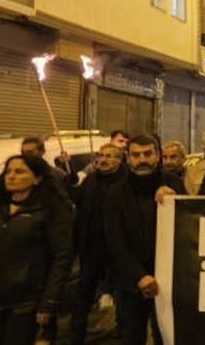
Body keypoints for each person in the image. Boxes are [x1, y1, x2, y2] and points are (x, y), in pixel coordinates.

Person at [105, 135, 185, 345]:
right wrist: (139, 275)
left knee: (167, 338)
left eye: (148, 154)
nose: (142, 159)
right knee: (132, 338)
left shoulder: (175, 185)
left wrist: (176, 200)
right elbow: (115, 240)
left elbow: (187, 229)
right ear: (127, 158)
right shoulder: (116, 192)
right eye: (136, 155)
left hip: (168, 282)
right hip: (131, 283)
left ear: (157, 156)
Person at [0, 155, 74, 345]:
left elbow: (62, 257)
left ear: (37, 179)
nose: (11, 176)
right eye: (8, 171)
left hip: (27, 301)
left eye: (20, 171)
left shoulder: (51, 210)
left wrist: (49, 302)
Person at [68, 144, 126, 345]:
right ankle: (76, 334)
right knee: (84, 292)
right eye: (101, 155)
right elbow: (80, 206)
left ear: (120, 159)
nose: (104, 159)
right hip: (92, 247)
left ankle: (122, 328)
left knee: (122, 291)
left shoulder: (127, 181)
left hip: (118, 248)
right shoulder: (91, 181)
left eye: (109, 156)